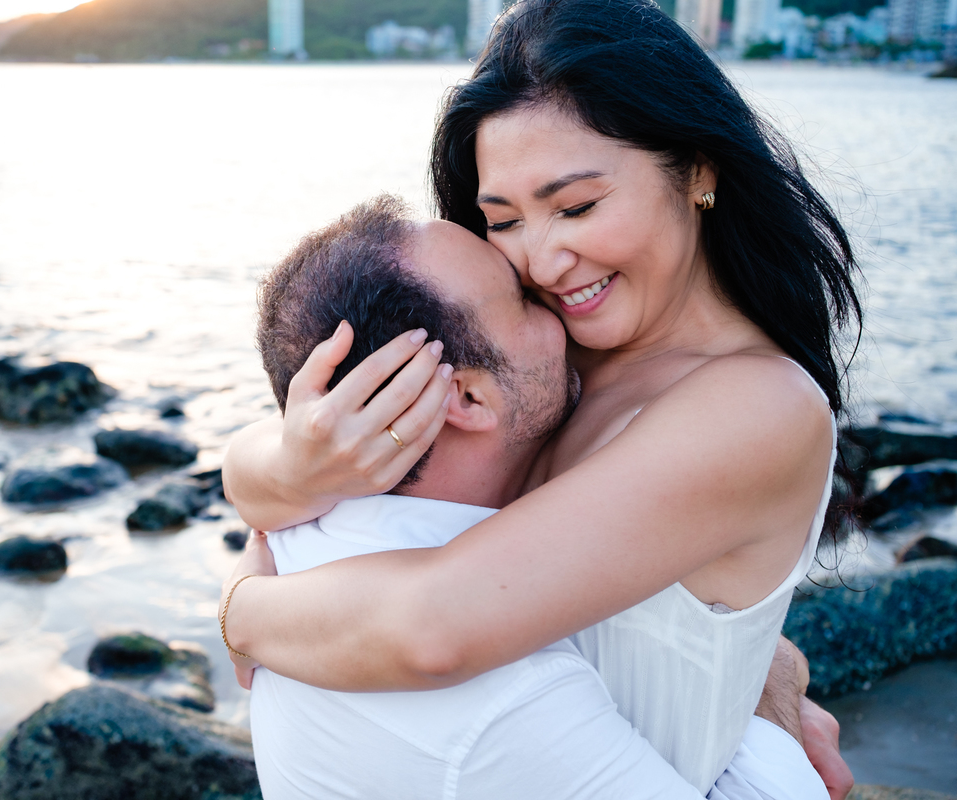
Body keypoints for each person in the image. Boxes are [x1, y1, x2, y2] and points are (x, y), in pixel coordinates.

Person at [219, 1, 860, 797]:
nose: (545, 260)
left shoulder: (755, 406)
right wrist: (289, 467)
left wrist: (243, 612)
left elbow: (433, 625)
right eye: (504, 220)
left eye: (578, 207)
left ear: (696, 169)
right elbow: (259, 467)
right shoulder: (562, 350)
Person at [241, 196, 829, 799]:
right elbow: (434, 635)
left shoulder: (307, 522)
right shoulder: (504, 700)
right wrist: (765, 688)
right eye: (521, 298)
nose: (554, 294)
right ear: (467, 399)